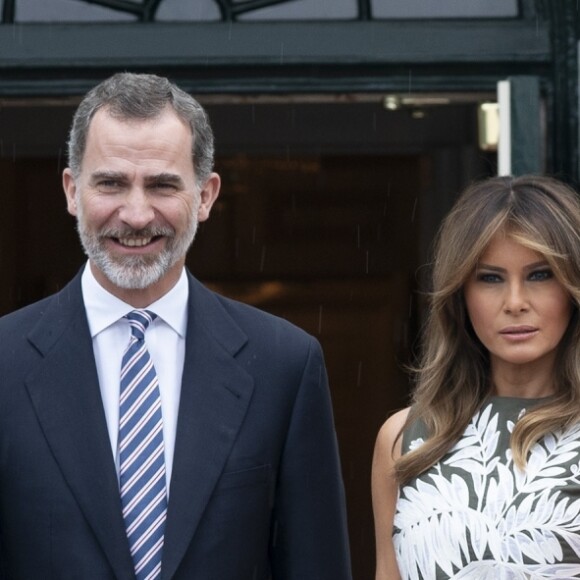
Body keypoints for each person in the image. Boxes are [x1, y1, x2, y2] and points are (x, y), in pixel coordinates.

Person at [0, 72, 352, 580]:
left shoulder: (284, 365)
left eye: (163, 185)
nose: (137, 214)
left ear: (206, 196)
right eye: (111, 183)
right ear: (72, 191)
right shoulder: (6, 364)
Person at [372, 174, 580, 579]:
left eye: (540, 275)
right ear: (460, 295)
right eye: (490, 278)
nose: (515, 303)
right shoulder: (406, 440)